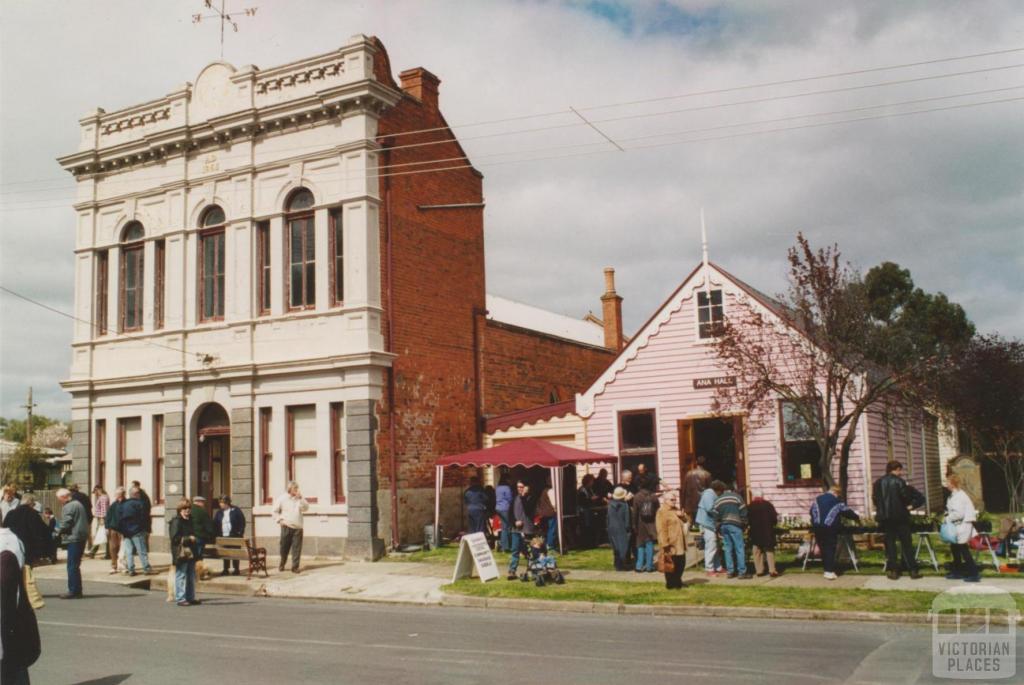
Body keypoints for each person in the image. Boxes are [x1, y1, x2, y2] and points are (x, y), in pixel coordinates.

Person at [872, 460, 925, 580]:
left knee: (890, 545)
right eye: (900, 470)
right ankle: (912, 570)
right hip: (901, 517)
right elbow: (905, 498)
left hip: (886, 518)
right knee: (906, 544)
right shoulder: (900, 482)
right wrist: (910, 505)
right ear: (897, 469)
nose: (901, 473)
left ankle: (894, 570)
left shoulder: (878, 483)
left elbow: (875, 499)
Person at [1, 526, 41, 685]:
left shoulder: (5, 547)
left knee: (10, 668)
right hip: (14, 617)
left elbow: (4, 591)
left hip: (6, 620)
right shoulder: (13, 540)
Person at [0, 494, 50, 610]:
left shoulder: (11, 513)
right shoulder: (33, 515)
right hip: (27, 548)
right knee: (26, 571)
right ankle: (25, 590)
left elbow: (5, 527)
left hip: (11, 546)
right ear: (31, 503)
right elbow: (40, 533)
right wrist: (41, 552)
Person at [810, 485, 859, 580]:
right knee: (830, 548)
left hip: (817, 527)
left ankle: (826, 569)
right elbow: (847, 512)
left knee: (823, 548)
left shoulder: (817, 499)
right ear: (836, 493)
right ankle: (829, 571)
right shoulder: (836, 501)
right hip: (830, 526)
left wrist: (815, 522)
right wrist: (856, 517)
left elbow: (811, 512)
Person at [944, 474, 980, 582]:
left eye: (947, 482)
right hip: (957, 525)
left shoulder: (959, 496)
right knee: (955, 548)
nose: (946, 484)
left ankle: (974, 574)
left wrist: (947, 518)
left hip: (962, 525)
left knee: (963, 549)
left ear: (952, 483)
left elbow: (958, 513)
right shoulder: (954, 495)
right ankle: (958, 571)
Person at [710, 481, 750, 579]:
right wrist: (744, 524)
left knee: (728, 549)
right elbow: (743, 511)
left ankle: (730, 571)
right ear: (733, 489)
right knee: (739, 548)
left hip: (724, 526)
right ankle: (742, 572)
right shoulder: (737, 497)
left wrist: (718, 527)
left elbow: (715, 514)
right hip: (735, 525)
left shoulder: (718, 500)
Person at [55, 487, 89, 598]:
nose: (59, 501)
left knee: (72, 565)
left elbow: (66, 523)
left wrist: (57, 533)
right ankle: (77, 590)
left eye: (59, 498)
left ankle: (73, 590)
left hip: (74, 537)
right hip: (81, 536)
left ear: (64, 497)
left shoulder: (69, 506)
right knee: (75, 565)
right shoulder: (78, 504)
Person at [272, 481, 309, 573]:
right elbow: (274, 511)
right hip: (286, 527)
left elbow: (306, 508)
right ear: (289, 489)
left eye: (297, 488)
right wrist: (279, 520)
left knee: (297, 549)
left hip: (298, 527)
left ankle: (295, 567)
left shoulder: (299, 499)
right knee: (284, 548)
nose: (296, 490)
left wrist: (301, 499)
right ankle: (282, 563)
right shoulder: (282, 498)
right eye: (295, 488)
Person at [169, 498, 199, 606]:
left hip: (190, 551)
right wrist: (189, 538)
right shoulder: (176, 521)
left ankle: (190, 597)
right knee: (181, 574)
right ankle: (180, 598)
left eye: (189, 508)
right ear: (180, 509)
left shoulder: (190, 520)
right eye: (185, 508)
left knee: (191, 575)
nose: (187, 510)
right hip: (180, 552)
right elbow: (174, 538)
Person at [118, 487, 154, 576]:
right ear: (137, 494)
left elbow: (120, 518)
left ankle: (131, 569)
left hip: (126, 531)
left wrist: (122, 531)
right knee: (141, 550)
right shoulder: (140, 504)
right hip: (137, 531)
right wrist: (145, 528)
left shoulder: (124, 504)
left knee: (129, 552)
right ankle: (146, 568)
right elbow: (144, 518)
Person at [656, 490, 688, 589]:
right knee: (670, 564)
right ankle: (671, 584)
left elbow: (686, 520)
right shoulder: (662, 511)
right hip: (670, 543)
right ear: (665, 500)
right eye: (672, 500)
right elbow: (661, 529)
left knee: (681, 563)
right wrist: (665, 544)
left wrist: (682, 516)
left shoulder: (675, 509)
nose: (674, 501)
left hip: (680, 543)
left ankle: (678, 581)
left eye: (675, 499)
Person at [506, 481, 535, 580]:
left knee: (529, 552)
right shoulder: (514, 498)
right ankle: (512, 571)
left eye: (521, 487)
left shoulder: (531, 498)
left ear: (527, 487)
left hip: (527, 529)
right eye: (518, 487)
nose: (519, 489)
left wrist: (523, 496)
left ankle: (532, 570)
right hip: (516, 529)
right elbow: (510, 514)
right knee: (515, 551)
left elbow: (528, 509)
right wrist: (515, 522)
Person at [748, 490, 780, 578]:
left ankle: (759, 570)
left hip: (755, 532)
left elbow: (748, 520)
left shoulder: (750, 506)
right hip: (767, 532)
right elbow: (774, 519)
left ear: (754, 496)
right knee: (769, 551)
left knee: (757, 551)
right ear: (763, 496)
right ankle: (772, 570)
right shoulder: (769, 505)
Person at [695, 482, 724, 576]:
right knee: (711, 546)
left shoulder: (710, 494)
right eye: (721, 492)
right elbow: (710, 508)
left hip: (710, 524)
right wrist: (720, 514)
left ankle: (718, 567)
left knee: (715, 546)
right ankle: (709, 569)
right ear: (718, 490)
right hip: (706, 524)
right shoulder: (709, 493)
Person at [213, 495, 246, 576]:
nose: (220, 504)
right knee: (225, 552)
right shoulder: (219, 512)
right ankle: (225, 569)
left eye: (222, 503)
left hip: (234, 535)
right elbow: (215, 523)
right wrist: (217, 533)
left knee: (235, 553)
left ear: (227, 503)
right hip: (223, 535)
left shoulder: (236, 510)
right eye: (220, 503)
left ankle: (236, 569)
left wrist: (240, 533)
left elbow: (242, 521)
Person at [632, 476, 659, 573]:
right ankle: (649, 566)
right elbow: (657, 511)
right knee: (649, 544)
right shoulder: (653, 497)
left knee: (640, 545)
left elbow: (635, 513)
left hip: (640, 523)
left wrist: (634, 525)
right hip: (651, 523)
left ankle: (639, 566)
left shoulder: (637, 497)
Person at [607, 486, 632, 571]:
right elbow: (627, 519)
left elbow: (608, 518)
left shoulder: (610, 505)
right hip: (622, 528)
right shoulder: (624, 505)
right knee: (623, 546)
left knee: (615, 547)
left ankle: (617, 564)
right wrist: (628, 528)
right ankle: (621, 564)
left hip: (612, 528)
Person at [681, 456, 712, 524]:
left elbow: (684, 491)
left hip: (689, 504)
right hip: (702, 503)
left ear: (696, 463)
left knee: (691, 525)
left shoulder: (688, 474)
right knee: (702, 525)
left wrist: (682, 506)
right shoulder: (707, 475)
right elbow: (710, 492)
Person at [104, 486, 126, 575]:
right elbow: (108, 516)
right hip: (113, 529)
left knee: (123, 549)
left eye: (116, 494)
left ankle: (123, 566)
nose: (115, 495)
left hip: (123, 530)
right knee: (113, 548)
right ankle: (114, 566)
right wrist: (107, 527)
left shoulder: (126, 504)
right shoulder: (114, 505)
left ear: (121, 495)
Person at [189, 495, 216, 560]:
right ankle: (197, 569)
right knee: (198, 556)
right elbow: (208, 526)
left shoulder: (188, 510)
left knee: (193, 555)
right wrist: (212, 535)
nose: (204, 504)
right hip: (199, 536)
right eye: (203, 502)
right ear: (199, 502)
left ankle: (192, 569)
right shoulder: (202, 511)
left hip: (190, 536)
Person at [86, 486, 109, 558]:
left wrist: (102, 519)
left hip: (102, 519)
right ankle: (93, 552)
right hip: (101, 518)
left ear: (98, 490)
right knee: (101, 535)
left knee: (101, 535)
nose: (95, 494)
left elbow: (103, 509)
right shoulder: (104, 497)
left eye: (95, 492)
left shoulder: (103, 498)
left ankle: (93, 552)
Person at [535, 484, 558, 550]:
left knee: (547, 529)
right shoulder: (551, 490)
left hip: (543, 513)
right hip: (551, 513)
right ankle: (550, 544)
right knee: (552, 529)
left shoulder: (544, 490)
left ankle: (545, 543)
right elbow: (554, 503)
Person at [495, 476, 514, 553]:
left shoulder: (498, 487)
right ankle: (506, 546)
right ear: (506, 480)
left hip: (498, 508)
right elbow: (510, 498)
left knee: (503, 527)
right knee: (507, 528)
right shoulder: (507, 488)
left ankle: (503, 545)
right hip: (505, 508)